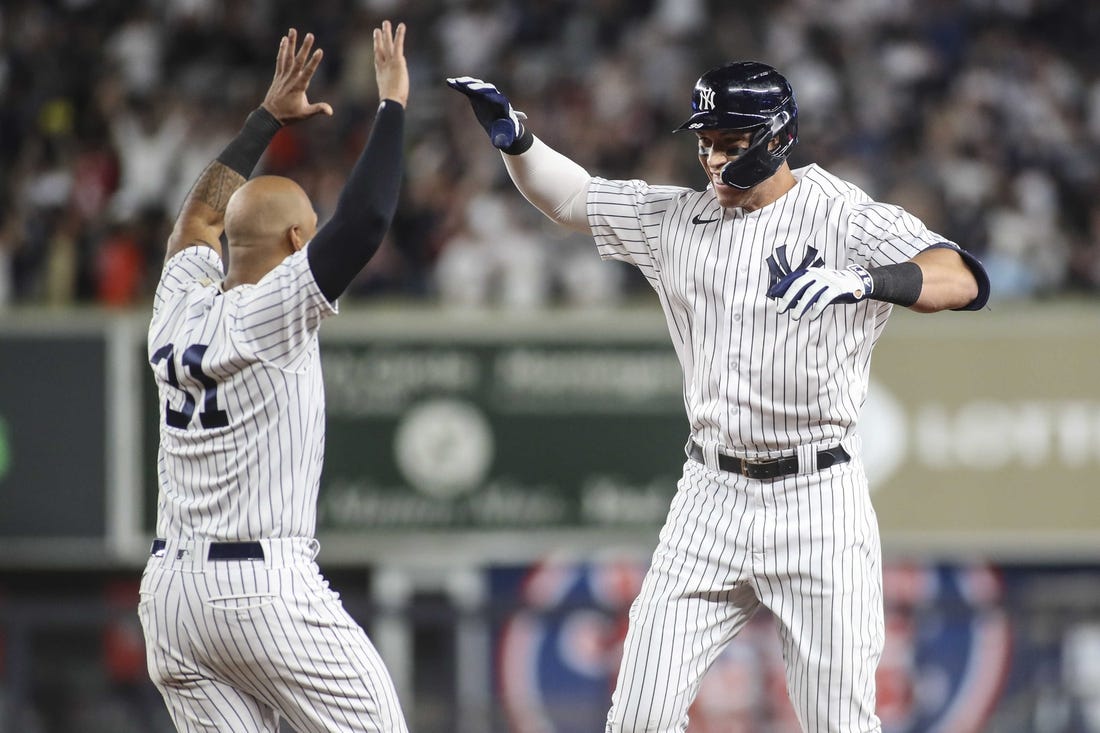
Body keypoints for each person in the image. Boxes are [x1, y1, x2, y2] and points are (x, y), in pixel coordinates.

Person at [447, 61, 989, 733]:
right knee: (638, 717)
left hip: (818, 497)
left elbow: (961, 276)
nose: (713, 157)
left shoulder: (841, 214)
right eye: (706, 141)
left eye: (731, 143)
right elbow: (575, 198)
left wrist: (866, 281)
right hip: (710, 491)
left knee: (839, 723)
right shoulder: (677, 217)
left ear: (778, 137)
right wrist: (519, 143)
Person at [140, 22, 410, 733]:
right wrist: (393, 106)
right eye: (308, 226)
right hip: (262, 588)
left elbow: (198, 216)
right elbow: (367, 218)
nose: (315, 232)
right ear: (296, 241)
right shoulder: (275, 310)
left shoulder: (177, 307)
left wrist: (263, 120)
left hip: (170, 594)